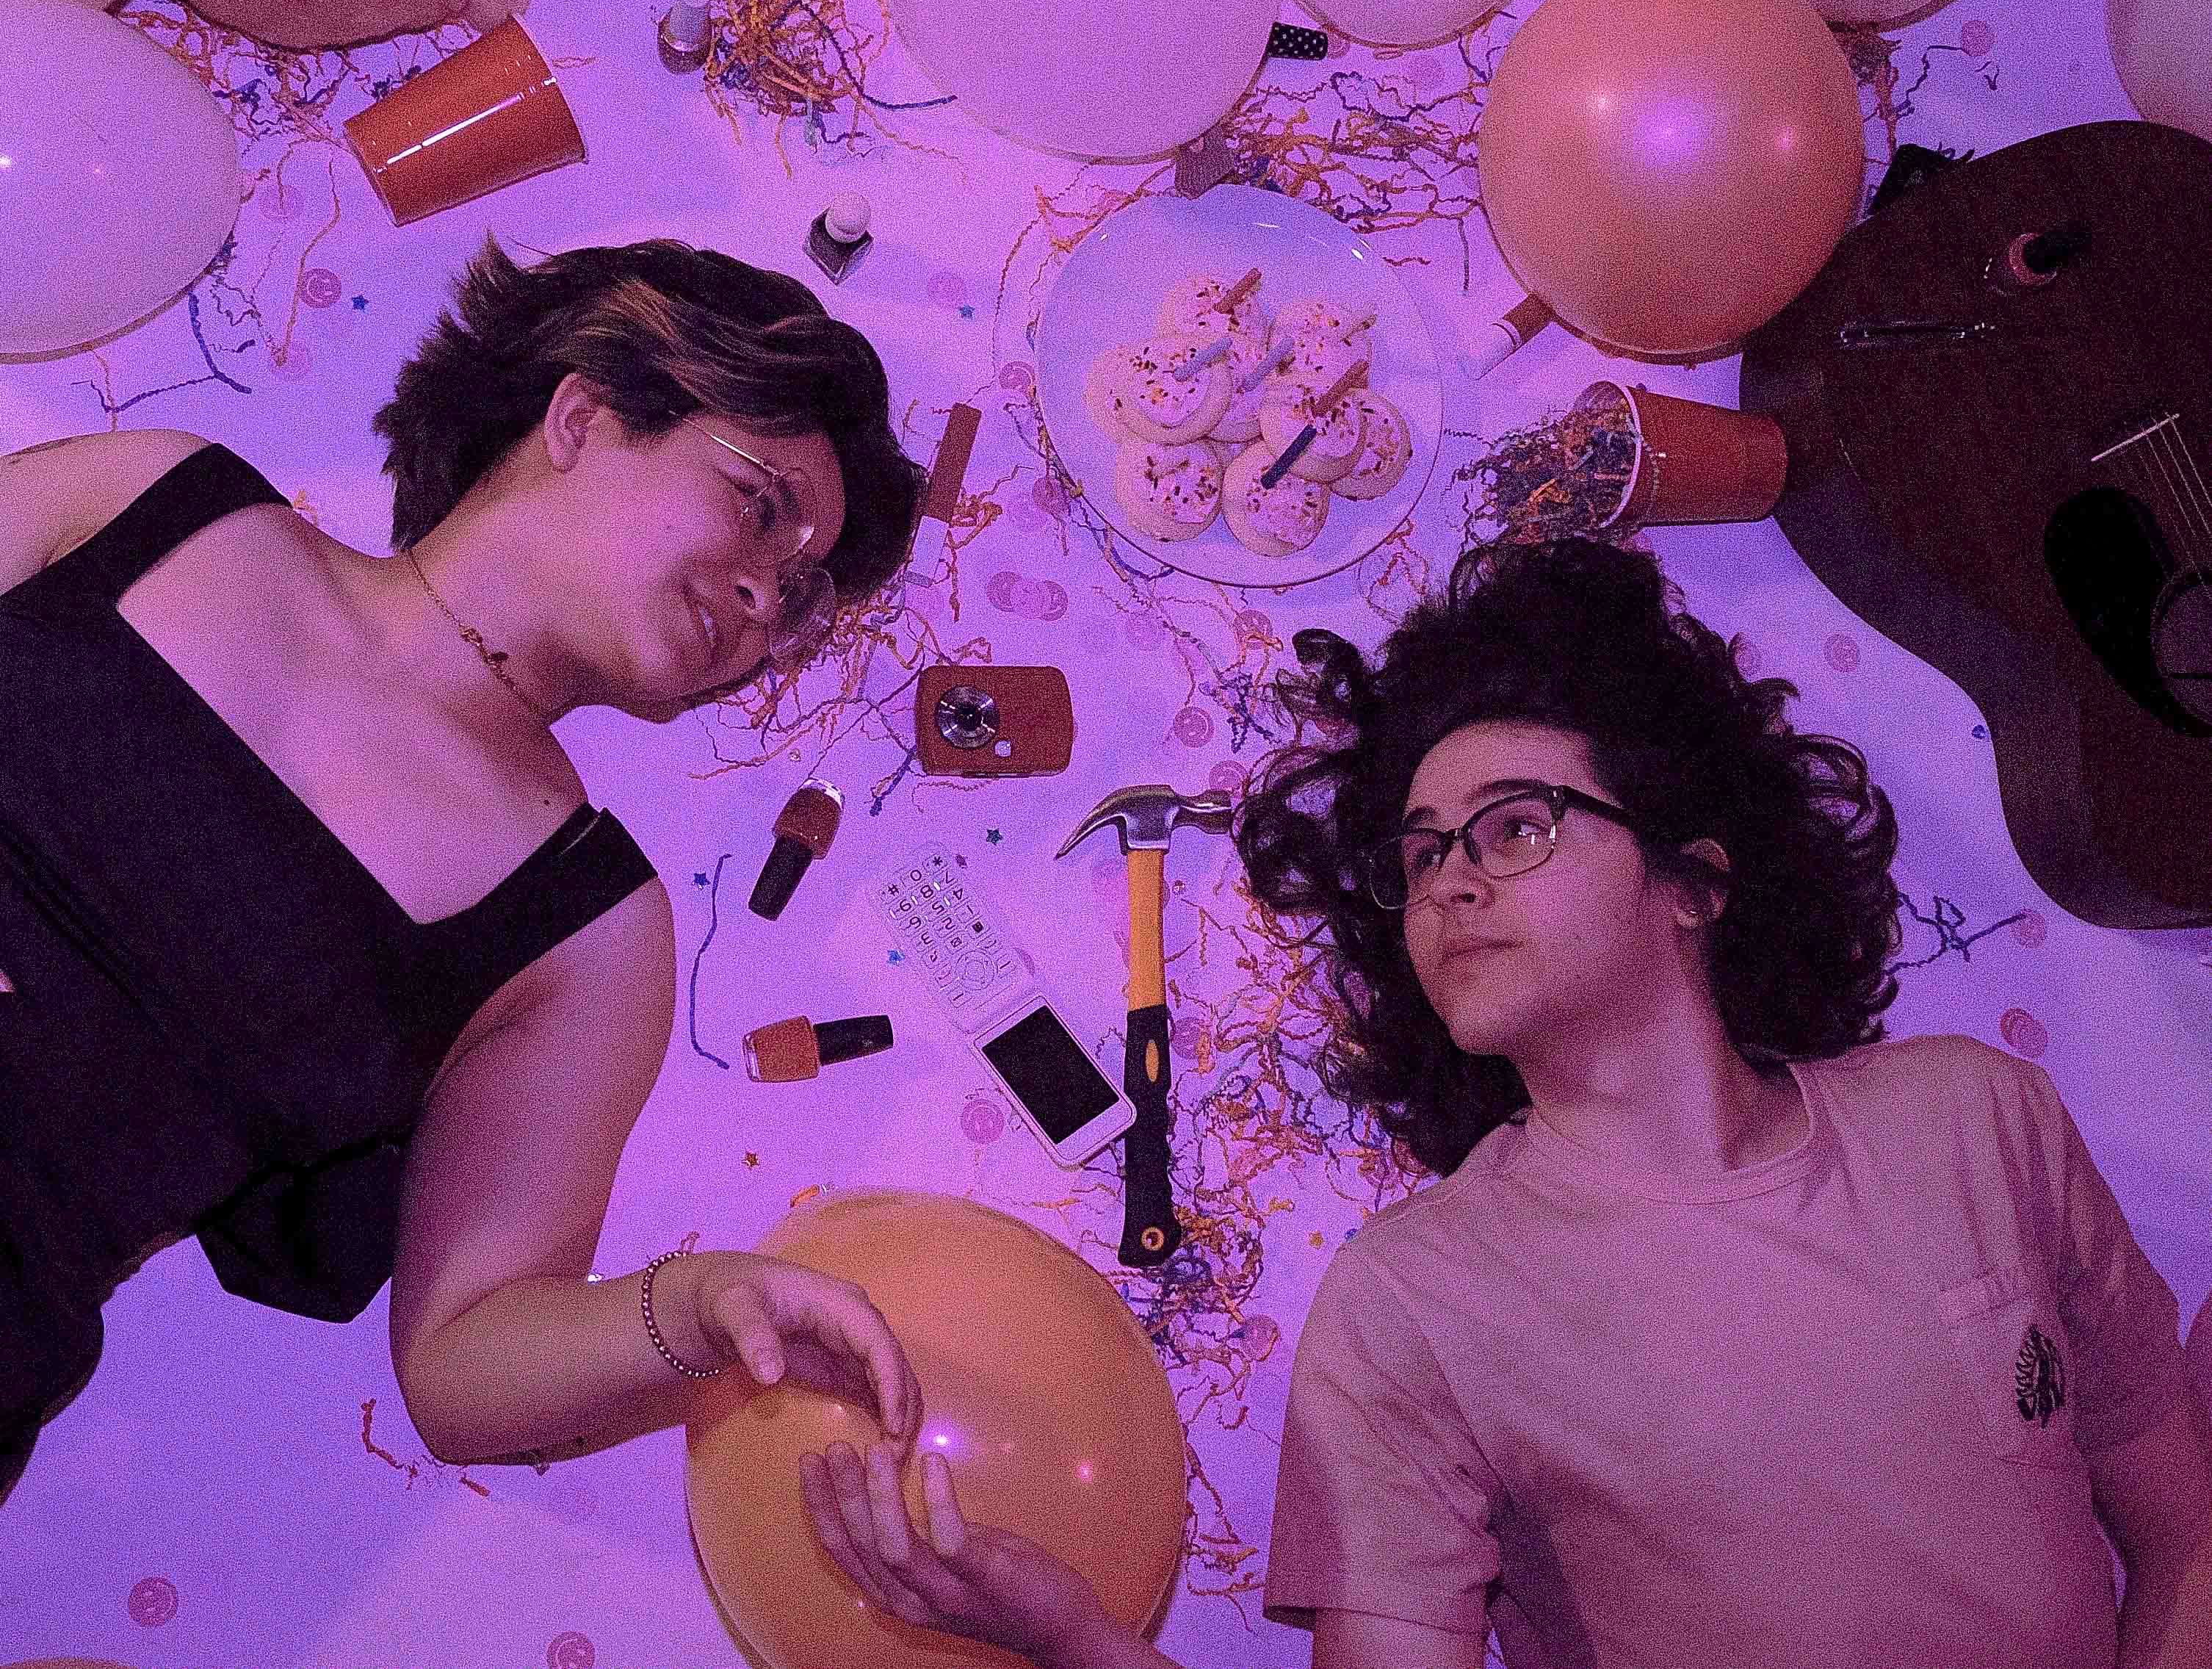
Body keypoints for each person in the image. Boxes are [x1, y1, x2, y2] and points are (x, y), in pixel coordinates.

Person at [803, 538, 2212, 1667]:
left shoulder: (1979, 1120)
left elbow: (2187, 1531)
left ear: (1692, 881)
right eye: (1421, 858)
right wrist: (1072, 1638)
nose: (1452, 883)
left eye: (1515, 827)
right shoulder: (1412, 1303)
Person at [0, 237, 930, 1500]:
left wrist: (695, 1308)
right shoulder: (155, 498)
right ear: (586, 414)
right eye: (761, 507)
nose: (768, 597)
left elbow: (462, 1368)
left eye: (800, 589)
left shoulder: (590, 927)